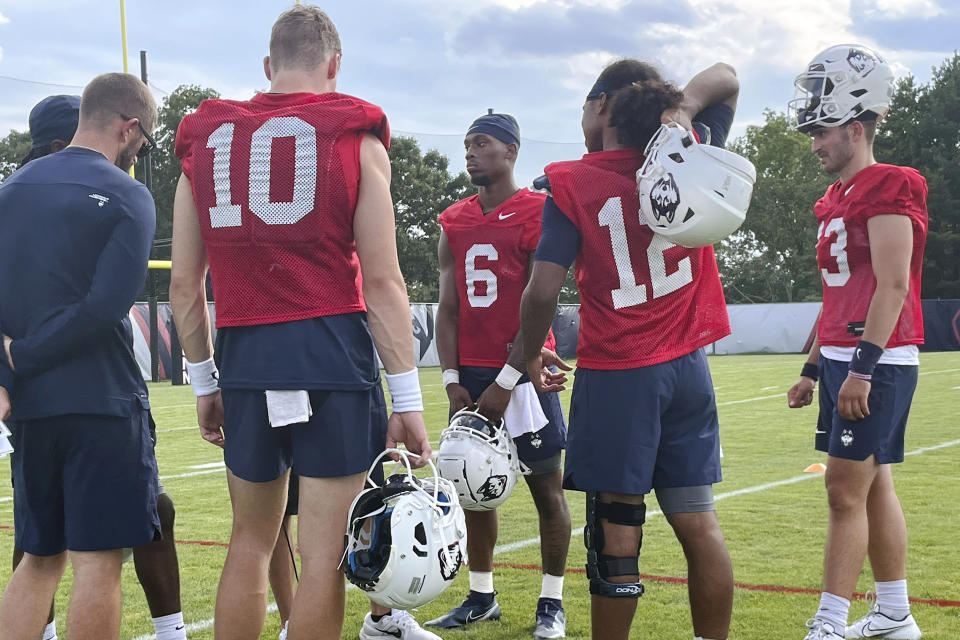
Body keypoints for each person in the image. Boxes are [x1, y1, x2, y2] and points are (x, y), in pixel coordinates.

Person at [169, 6, 434, 640]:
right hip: (330, 357)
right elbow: (384, 281)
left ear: (268, 66)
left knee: (250, 542)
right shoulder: (354, 137)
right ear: (334, 66)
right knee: (323, 559)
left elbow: (183, 281)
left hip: (244, 359)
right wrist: (406, 397)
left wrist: (206, 383)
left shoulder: (204, 139)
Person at [517, 60, 740, 640]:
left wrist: (520, 360)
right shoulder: (685, 154)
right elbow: (726, 76)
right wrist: (682, 113)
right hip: (688, 366)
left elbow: (543, 289)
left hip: (620, 372)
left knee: (616, 531)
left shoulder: (572, 181)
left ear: (603, 107)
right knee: (699, 523)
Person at [4, 93, 188, 640]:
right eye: (145, 141)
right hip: (99, 400)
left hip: (31, 406)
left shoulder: (8, 191)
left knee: (38, 559)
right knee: (98, 562)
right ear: (129, 129)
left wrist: (9, 369)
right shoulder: (126, 193)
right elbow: (107, 306)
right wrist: (23, 353)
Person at [786, 44, 927, 640]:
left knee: (842, 491)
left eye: (822, 131)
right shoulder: (834, 199)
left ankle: (830, 623)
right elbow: (837, 297)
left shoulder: (891, 184)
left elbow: (893, 286)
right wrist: (814, 369)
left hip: (879, 360)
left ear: (853, 124)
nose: (815, 144)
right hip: (847, 358)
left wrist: (863, 369)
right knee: (874, 485)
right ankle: (895, 614)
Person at [426, 112, 572, 638]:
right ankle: (481, 595)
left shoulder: (541, 213)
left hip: (525, 373)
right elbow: (448, 309)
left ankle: (551, 603)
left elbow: (541, 303)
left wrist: (508, 380)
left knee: (545, 491)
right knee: (470, 490)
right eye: (466, 144)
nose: (470, 152)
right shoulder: (454, 220)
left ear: (511, 152)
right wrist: (450, 377)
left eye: (482, 143)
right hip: (471, 373)